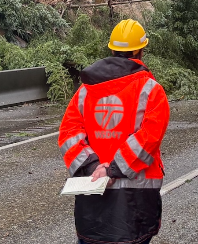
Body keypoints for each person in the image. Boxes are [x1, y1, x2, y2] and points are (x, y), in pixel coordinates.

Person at [58, 19, 170, 244]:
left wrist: (93, 166)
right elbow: (148, 139)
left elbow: (69, 133)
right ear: (140, 49)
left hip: (92, 193)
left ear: (111, 48)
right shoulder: (151, 91)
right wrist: (112, 169)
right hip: (135, 201)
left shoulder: (85, 90)